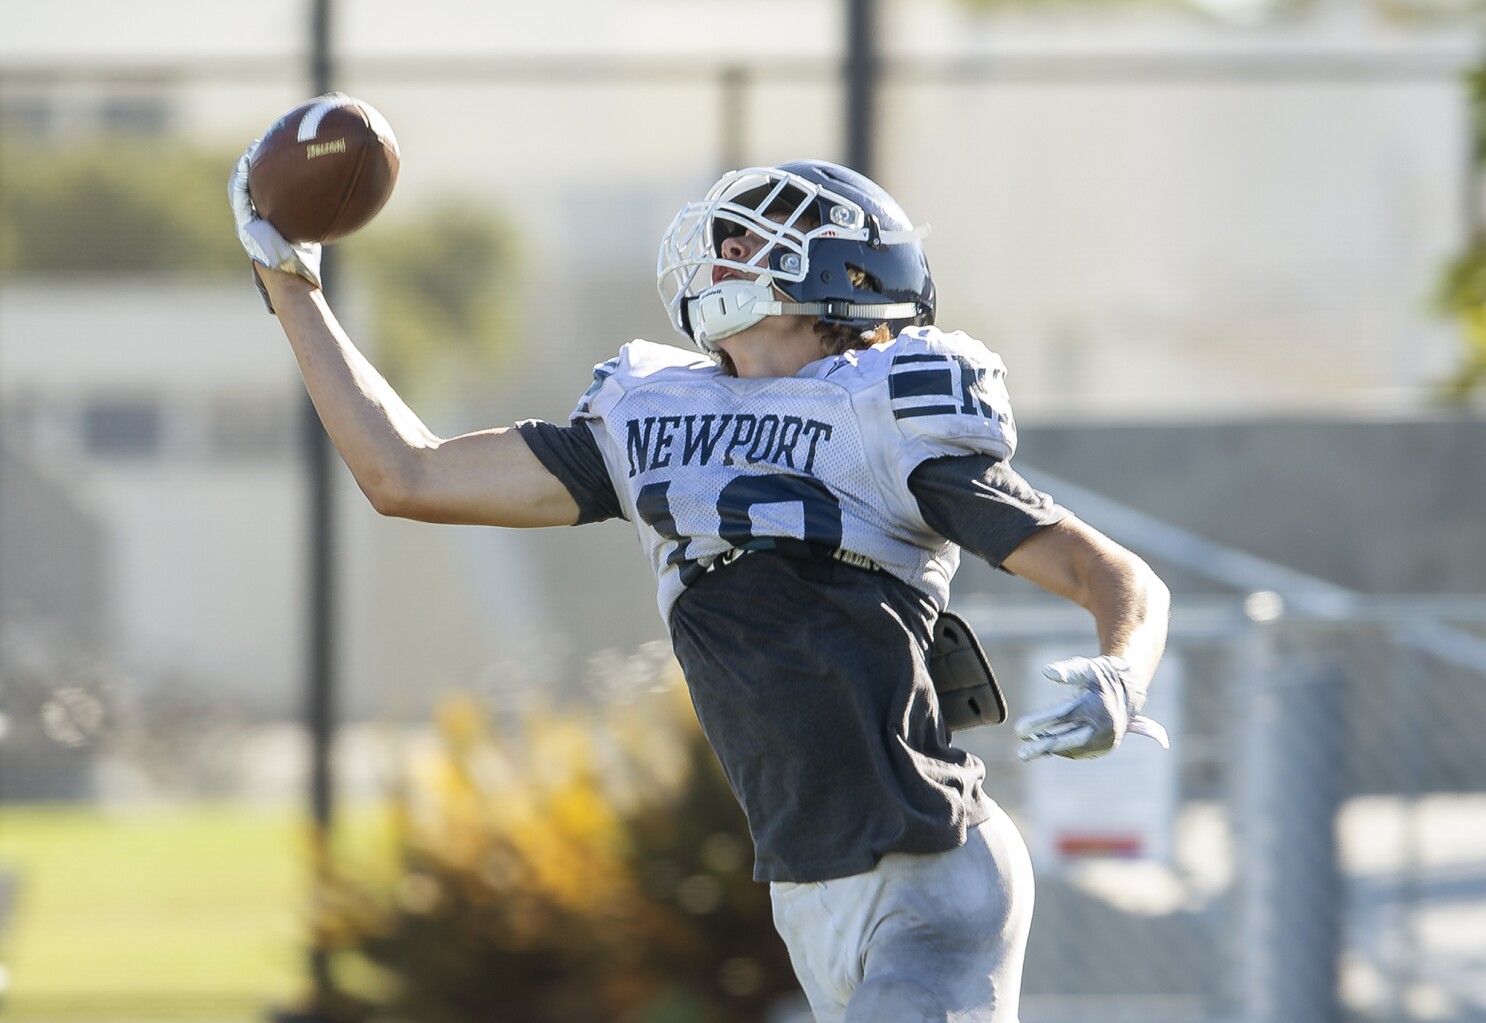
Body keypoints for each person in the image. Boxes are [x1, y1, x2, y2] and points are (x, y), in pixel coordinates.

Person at [230, 150, 1171, 1023]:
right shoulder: (651, 413)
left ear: (846, 272)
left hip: (933, 873)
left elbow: (1110, 573)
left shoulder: (888, 411)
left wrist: (1121, 673)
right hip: (808, 887)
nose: (724, 250)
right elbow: (408, 475)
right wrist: (290, 279)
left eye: (757, 234)